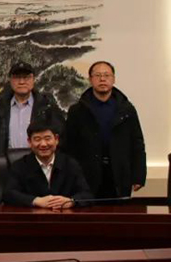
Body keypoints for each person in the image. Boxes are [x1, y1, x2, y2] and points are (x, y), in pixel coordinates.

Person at [61, 61, 146, 198]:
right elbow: (69, 146)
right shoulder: (78, 110)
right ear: (90, 79)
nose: (102, 79)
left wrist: (138, 176)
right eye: (98, 75)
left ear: (113, 79)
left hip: (119, 173)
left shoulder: (126, 109)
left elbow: (137, 143)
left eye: (107, 75)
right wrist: (71, 176)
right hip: (87, 175)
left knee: (119, 211)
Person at [4, 120, 92, 209]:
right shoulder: (19, 166)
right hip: (32, 216)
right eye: (37, 139)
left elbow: (87, 194)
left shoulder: (70, 164)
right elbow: (9, 194)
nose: (43, 144)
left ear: (56, 139)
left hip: (63, 215)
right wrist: (35, 200)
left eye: (47, 138)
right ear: (29, 142)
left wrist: (71, 201)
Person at [0, 61, 64, 153]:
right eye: (17, 77)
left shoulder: (47, 107)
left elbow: (61, 138)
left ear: (33, 79)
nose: (22, 82)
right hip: (8, 159)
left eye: (26, 77)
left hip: (39, 158)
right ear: (10, 80)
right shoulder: (0, 108)